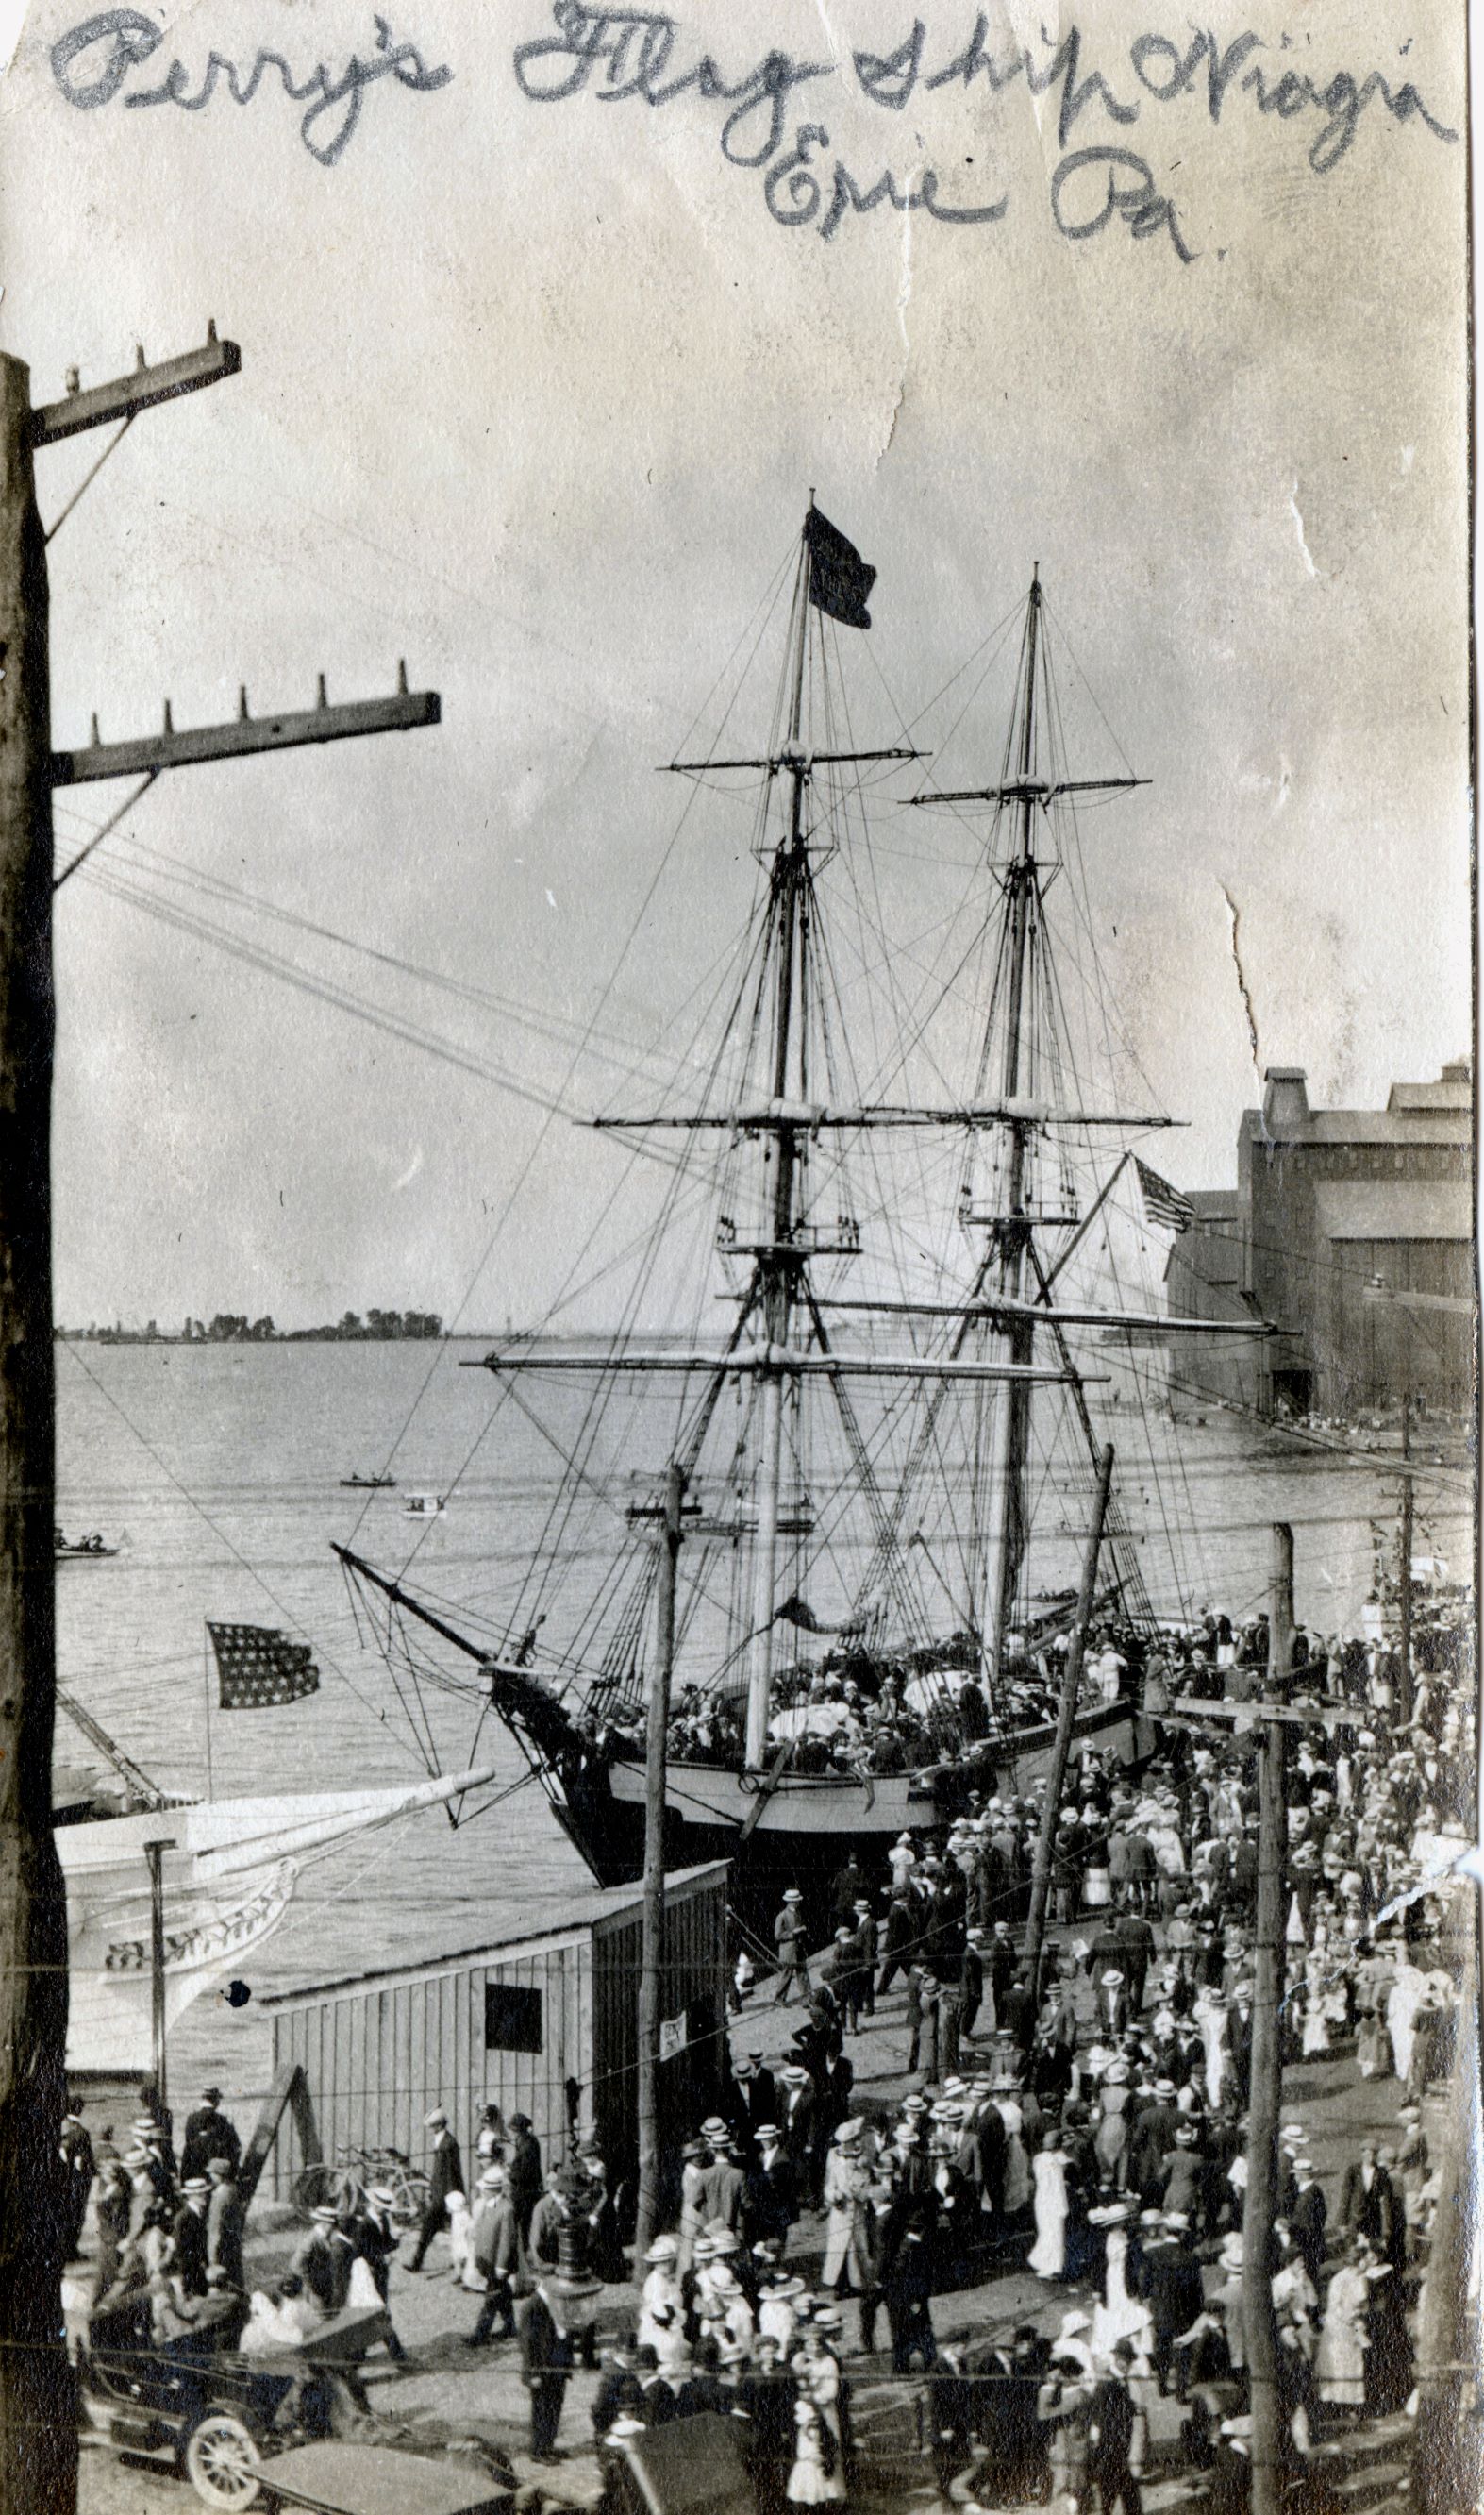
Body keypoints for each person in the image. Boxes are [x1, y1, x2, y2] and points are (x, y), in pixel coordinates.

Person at [1085, 2340, 1147, 2514]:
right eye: (1123, 2360)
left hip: (1120, 2439)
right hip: (1109, 2440)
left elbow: (1121, 2405)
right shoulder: (1107, 2380)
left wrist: (1132, 2407)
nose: (1126, 2364)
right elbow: (1099, 2408)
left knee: (1115, 2484)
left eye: (1129, 2361)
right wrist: (1097, 2433)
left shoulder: (1122, 2380)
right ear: (1116, 2358)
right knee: (1116, 2484)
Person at [407, 2105, 464, 2272]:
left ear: (439, 2125)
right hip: (440, 2192)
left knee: (435, 2226)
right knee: (437, 2229)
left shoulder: (449, 2143)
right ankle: (418, 2261)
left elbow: (453, 2172)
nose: (431, 2130)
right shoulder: (441, 2140)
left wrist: (451, 2197)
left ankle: (418, 2262)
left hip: (446, 2195)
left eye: (433, 2126)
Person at [180, 2086, 241, 2183]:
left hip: (193, 2168)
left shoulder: (191, 2119)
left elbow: (188, 2141)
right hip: (215, 2170)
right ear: (216, 2101)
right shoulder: (222, 2120)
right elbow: (234, 2145)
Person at [775, 1890, 811, 2004]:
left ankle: (807, 1999)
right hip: (788, 1951)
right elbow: (778, 1935)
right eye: (795, 1901)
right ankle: (779, 1999)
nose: (798, 1903)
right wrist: (794, 1932)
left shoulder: (799, 1913)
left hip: (799, 1949)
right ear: (790, 1902)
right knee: (787, 1976)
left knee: (803, 1975)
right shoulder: (782, 1916)